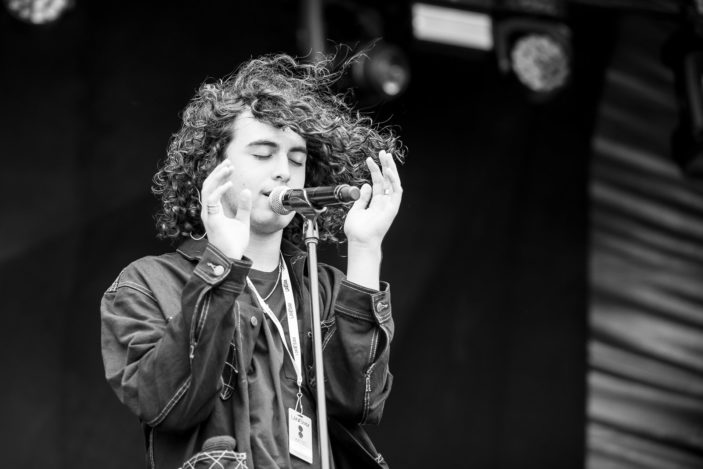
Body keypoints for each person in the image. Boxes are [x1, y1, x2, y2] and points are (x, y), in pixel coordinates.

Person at [100, 53, 404, 469]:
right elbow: (168, 406)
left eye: (297, 159)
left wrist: (366, 249)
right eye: (263, 154)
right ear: (214, 166)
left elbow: (358, 404)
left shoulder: (324, 288)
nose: (284, 172)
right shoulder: (147, 284)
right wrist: (222, 263)